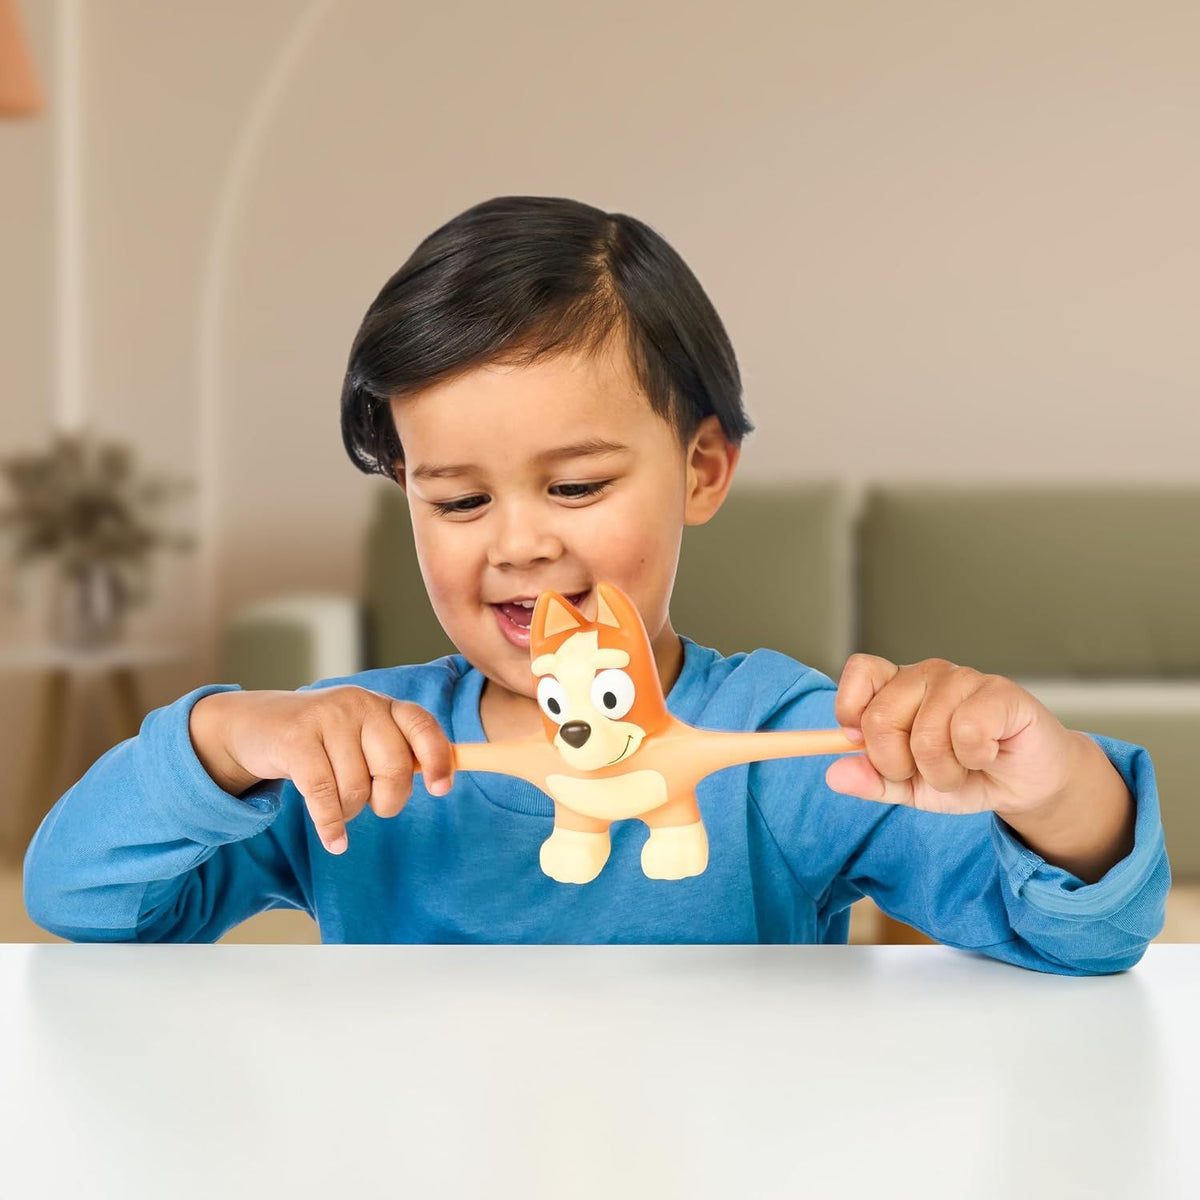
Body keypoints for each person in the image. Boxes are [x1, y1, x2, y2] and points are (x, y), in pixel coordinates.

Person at [23, 196, 1169, 969]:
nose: (515, 545)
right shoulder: (360, 767)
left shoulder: (790, 745)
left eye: (574, 486)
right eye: (459, 501)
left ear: (703, 469)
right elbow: (82, 901)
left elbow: (1087, 938)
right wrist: (227, 736)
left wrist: (1047, 777)